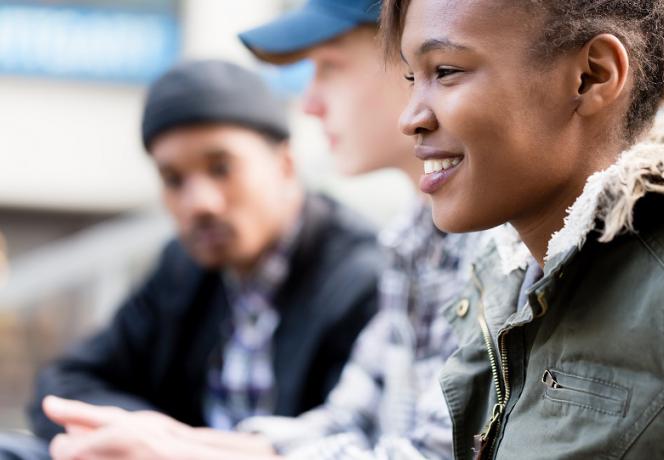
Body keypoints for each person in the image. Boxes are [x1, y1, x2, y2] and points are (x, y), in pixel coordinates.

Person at [383, 0, 664, 458]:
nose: (410, 118)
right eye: (411, 78)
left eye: (445, 71)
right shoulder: (512, 290)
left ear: (593, 76)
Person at [42, 1, 476, 459]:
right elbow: (349, 420)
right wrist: (167, 439)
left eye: (328, 68)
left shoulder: (363, 269)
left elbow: (429, 452)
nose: (308, 103)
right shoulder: (410, 236)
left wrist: (185, 453)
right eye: (173, 180)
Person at [9, 59, 380, 460]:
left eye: (222, 168)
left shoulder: (361, 279)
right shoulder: (184, 268)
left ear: (285, 165)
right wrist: (151, 439)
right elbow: (65, 382)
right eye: (174, 180)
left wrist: (177, 448)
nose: (199, 203)